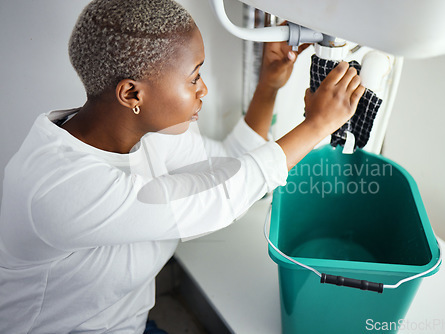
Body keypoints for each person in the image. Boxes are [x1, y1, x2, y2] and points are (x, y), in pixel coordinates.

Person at [0, 0, 364, 333]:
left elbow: (227, 166)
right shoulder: (61, 188)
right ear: (131, 94)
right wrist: (317, 126)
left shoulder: (151, 132)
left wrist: (268, 86)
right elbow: (222, 197)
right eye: (193, 77)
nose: (203, 89)